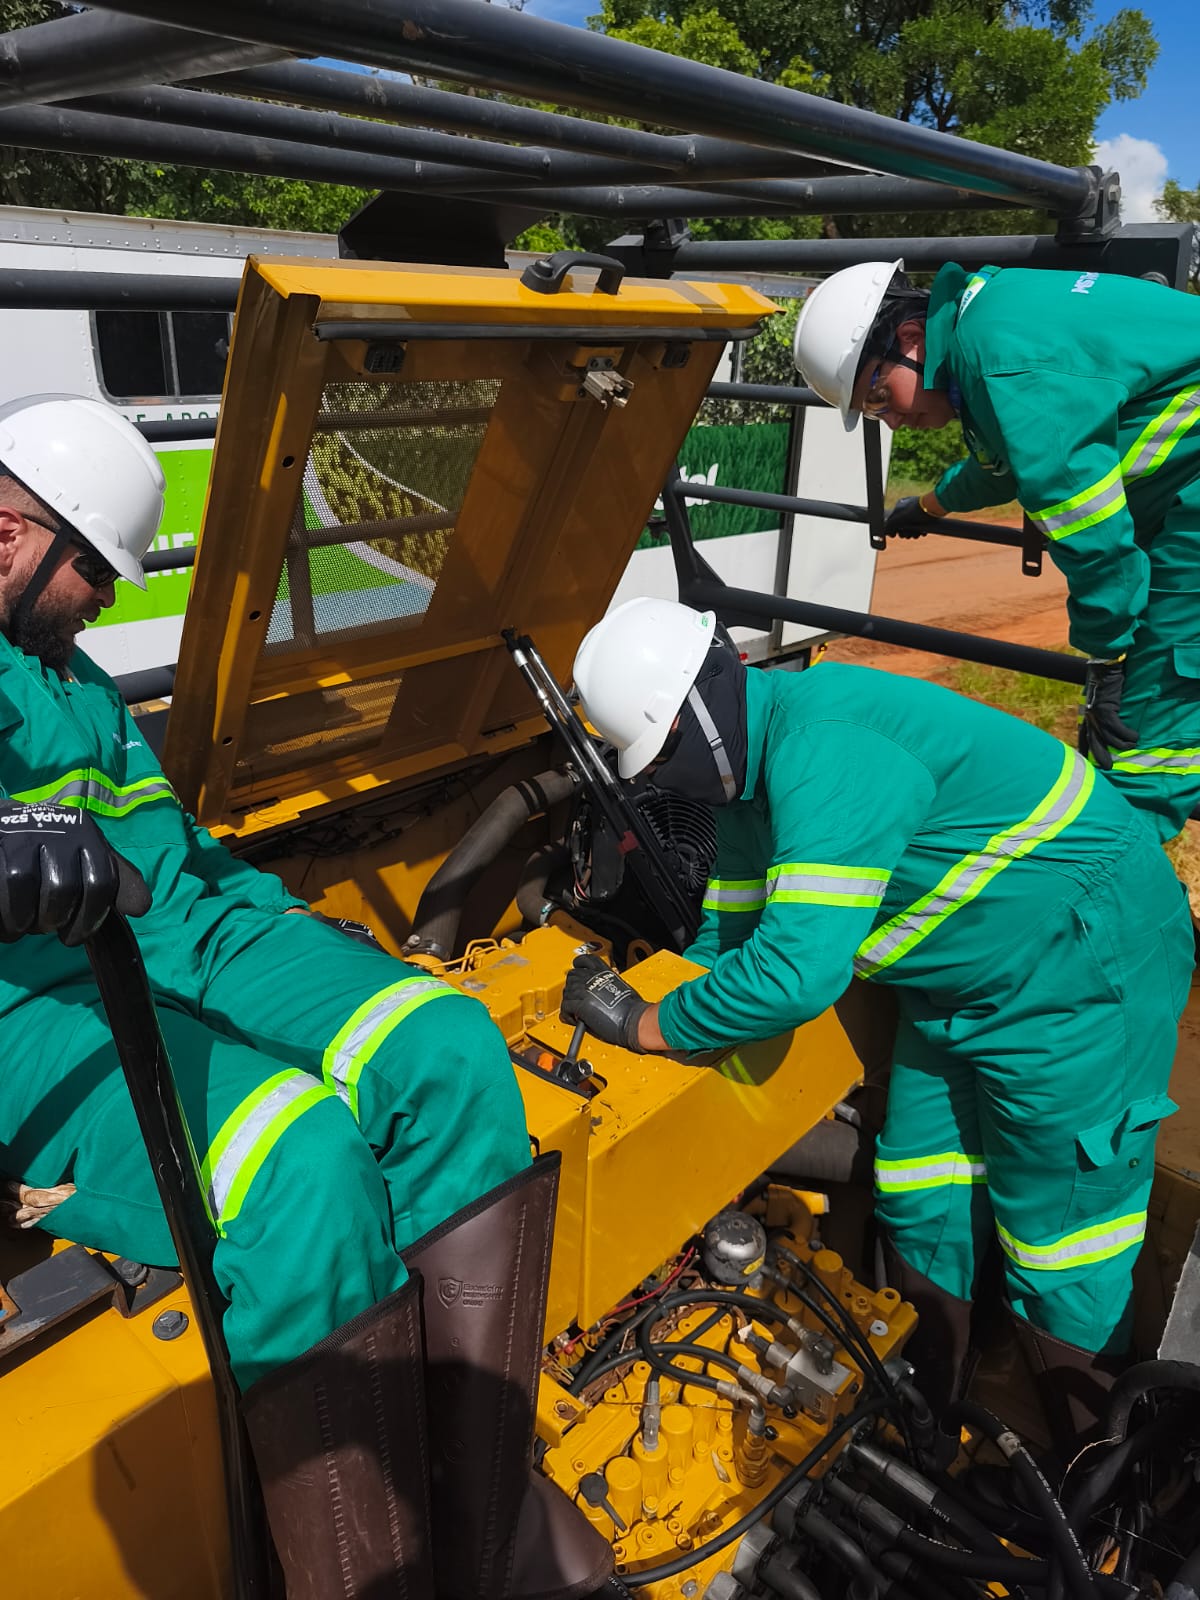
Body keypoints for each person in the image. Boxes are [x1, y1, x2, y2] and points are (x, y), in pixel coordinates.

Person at [0, 394, 610, 1600]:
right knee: (297, 1160)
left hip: (178, 932)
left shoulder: (68, 680)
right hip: (27, 1005)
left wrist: (275, 913)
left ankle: (470, 1516)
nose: (111, 604)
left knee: (444, 1048)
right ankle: (365, 1568)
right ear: (13, 538)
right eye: (96, 575)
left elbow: (168, 853)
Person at [564, 596, 1191, 1449]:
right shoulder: (749, 779)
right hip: (961, 984)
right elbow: (729, 935)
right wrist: (654, 1030)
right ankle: (926, 1421)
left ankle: (1096, 1483)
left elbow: (794, 972)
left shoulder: (828, 749)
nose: (660, 780)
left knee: (1062, 1242)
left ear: (705, 705)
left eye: (660, 755)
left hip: (1082, 961)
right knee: (921, 1187)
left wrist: (644, 1023)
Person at [791, 257, 1200, 844]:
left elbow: (1093, 535)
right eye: (876, 413)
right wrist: (930, 505)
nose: (894, 421)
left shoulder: (1004, 363)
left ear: (909, 339)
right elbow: (1003, 461)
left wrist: (1107, 658)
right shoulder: (984, 321)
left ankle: (1117, 869)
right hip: (1184, 487)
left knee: (1148, 713)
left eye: (879, 394)